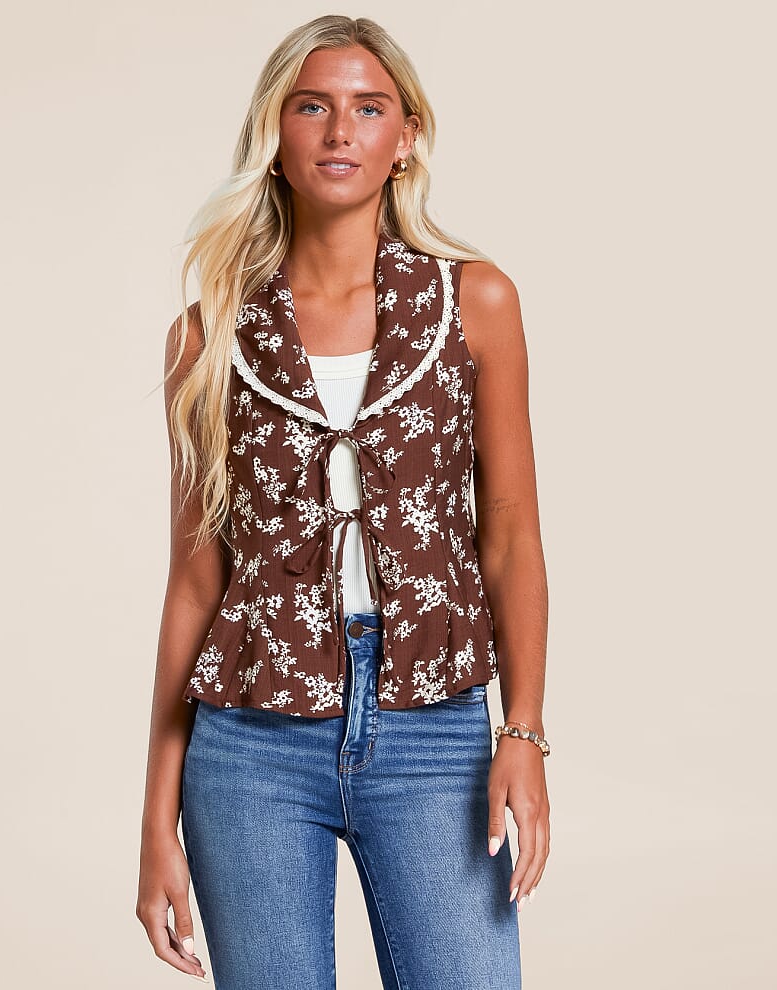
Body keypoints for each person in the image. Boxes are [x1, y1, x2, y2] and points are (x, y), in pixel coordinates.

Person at [136, 14, 551, 989]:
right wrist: (155, 820)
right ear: (274, 135)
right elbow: (194, 583)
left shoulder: (474, 302)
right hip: (249, 747)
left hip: (436, 733)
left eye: (368, 109)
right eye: (311, 107)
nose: (338, 131)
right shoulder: (208, 337)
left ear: (405, 138)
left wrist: (522, 732)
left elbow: (508, 535)